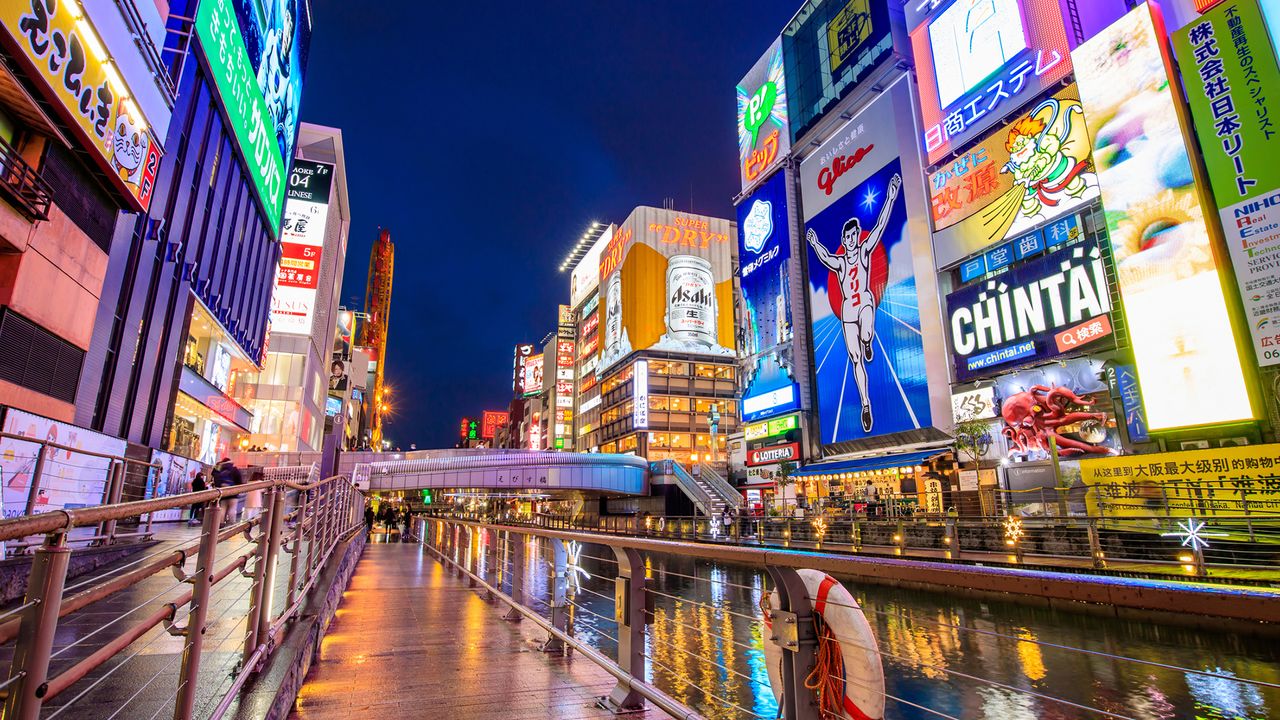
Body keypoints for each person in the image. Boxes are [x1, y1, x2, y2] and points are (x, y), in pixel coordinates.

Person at [807, 173, 901, 433]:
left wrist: (891, 196)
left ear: (858, 235)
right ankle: (865, 404)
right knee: (855, 358)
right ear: (843, 238)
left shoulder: (864, 251)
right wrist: (815, 244)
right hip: (848, 310)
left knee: (867, 333)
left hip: (866, 302)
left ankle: (868, 340)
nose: (850, 240)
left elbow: (881, 225)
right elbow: (826, 256)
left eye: (854, 235)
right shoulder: (840, 263)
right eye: (847, 237)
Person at [212, 458, 243, 526]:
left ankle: (221, 523)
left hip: (224, 493)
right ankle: (232, 523)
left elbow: (217, 481)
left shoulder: (221, 471)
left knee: (223, 508)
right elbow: (239, 481)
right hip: (233, 492)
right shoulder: (234, 469)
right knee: (232, 508)